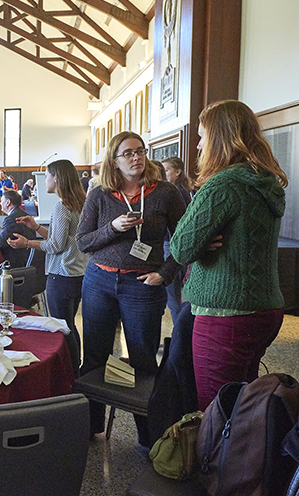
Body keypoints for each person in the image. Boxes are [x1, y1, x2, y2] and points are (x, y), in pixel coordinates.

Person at [170, 100, 288, 410]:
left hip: (226, 313)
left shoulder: (222, 185)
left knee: (215, 411)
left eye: (202, 136)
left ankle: (219, 447)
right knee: (242, 404)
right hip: (265, 307)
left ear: (220, 138)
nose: (198, 146)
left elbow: (181, 247)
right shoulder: (266, 182)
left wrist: (200, 240)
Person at [76, 131, 185, 441]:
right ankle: (91, 427)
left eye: (140, 151)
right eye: (128, 153)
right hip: (99, 282)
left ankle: (148, 438)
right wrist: (113, 227)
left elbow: (183, 240)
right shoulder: (100, 194)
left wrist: (165, 274)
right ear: (114, 161)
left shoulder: (165, 192)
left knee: (143, 360)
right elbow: (83, 241)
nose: (136, 157)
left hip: (143, 285)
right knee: (94, 357)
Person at [7, 160, 89, 375]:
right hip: (77, 273)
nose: (43, 181)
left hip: (62, 274)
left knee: (61, 327)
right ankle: (75, 368)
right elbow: (62, 239)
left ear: (57, 178)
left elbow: (55, 246)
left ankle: (70, 373)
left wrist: (27, 243)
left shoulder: (62, 206)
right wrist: (35, 227)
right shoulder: (80, 203)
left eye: (47, 176)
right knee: (69, 324)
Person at [161, 156, 193, 320]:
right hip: (173, 243)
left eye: (167, 170)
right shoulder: (183, 190)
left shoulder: (176, 192)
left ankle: (179, 330)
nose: (163, 174)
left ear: (178, 172)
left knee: (172, 296)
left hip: (171, 243)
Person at [0, 190, 36, 268]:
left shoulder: (11, 218)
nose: (0, 203)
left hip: (15, 262)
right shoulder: (25, 214)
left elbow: (0, 242)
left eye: (2, 201)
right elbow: (13, 234)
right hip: (27, 258)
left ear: (8, 202)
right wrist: (1, 231)